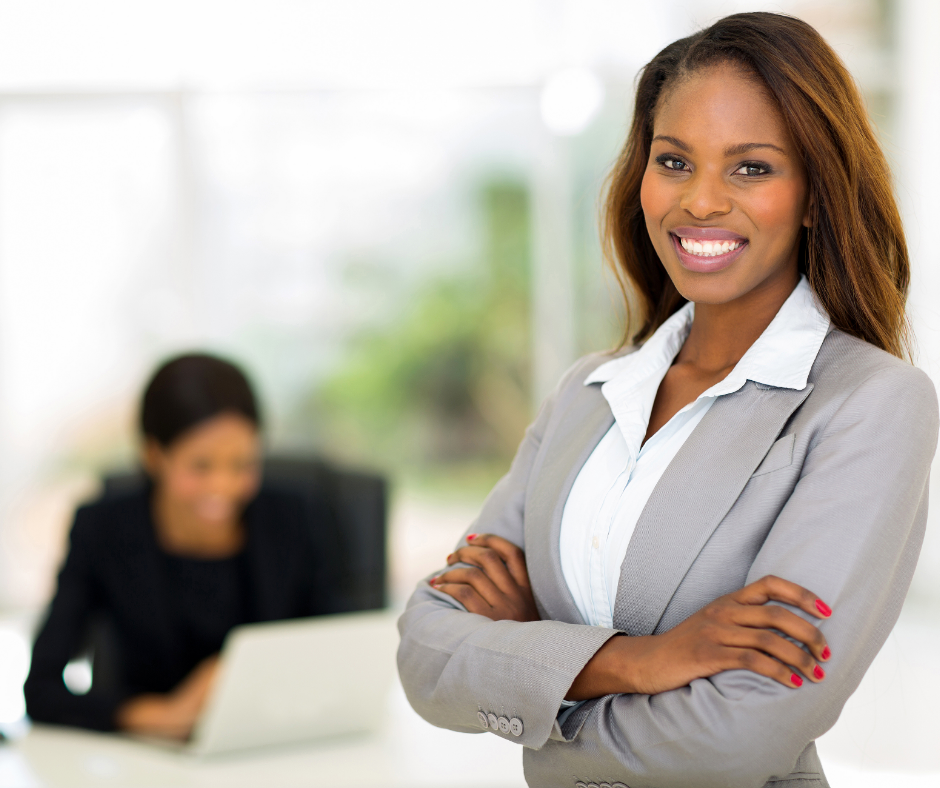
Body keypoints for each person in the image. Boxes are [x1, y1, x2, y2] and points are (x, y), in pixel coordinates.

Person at [397, 12, 938, 788]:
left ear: (817, 196)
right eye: (674, 161)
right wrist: (644, 660)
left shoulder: (872, 406)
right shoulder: (588, 393)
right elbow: (425, 652)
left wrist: (535, 673)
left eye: (751, 167)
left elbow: (738, 741)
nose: (701, 203)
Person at [25, 353, 336, 739]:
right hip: (148, 759)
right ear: (154, 455)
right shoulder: (103, 529)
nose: (221, 487)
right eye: (200, 466)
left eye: (241, 465)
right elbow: (40, 690)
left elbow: (338, 654)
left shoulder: (293, 518)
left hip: (274, 743)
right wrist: (156, 716)